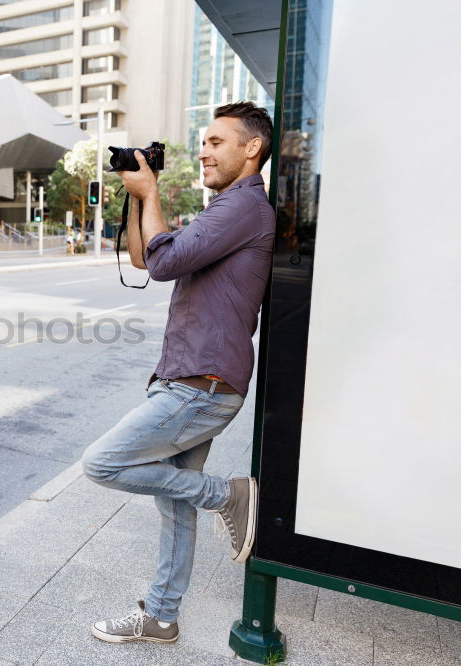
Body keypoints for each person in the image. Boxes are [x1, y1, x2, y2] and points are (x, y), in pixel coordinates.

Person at [82, 101, 275, 645]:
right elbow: (148, 260)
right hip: (194, 379)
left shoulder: (242, 206)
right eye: (206, 142)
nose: (206, 152)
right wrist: (141, 198)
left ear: (252, 147)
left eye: (217, 142)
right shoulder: (228, 209)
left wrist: (151, 195)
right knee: (174, 503)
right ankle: (162, 617)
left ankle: (228, 495)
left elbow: (164, 263)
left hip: (201, 386)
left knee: (102, 463)